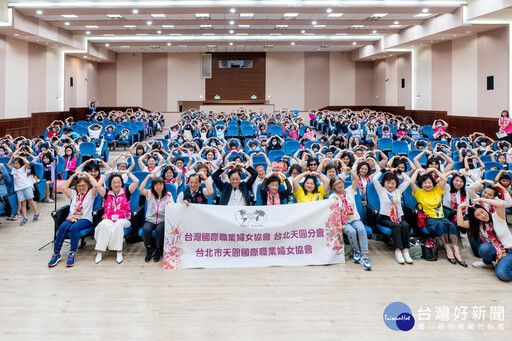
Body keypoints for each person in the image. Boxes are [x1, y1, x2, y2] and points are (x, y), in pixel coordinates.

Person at [411, 168, 467, 267]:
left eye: (429, 183)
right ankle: (447, 248)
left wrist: (435, 170)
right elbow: (411, 182)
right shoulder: (419, 192)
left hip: (441, 217)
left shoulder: (437, 190)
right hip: (429, 218)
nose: (427, 185)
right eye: (425, 183)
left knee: (452, 226)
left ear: (433, 183)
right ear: (421, 184)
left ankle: (457, 251)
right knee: (440, 225)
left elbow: (444, 179)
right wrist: (418, 170)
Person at [48, 172, 98, 268]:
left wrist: (88, 175)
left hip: (85, 219)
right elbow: (63, 188)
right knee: (62, 227)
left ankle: (72, 253)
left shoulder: (91, 194)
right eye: (79, 186)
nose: (81, 188)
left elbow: (96, 185)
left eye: (84, 185)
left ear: (88, 185)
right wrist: (72, 176)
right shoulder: (74, 194)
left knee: (75, 227)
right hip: (72, 217)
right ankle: (56, 253)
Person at [457, 198, 512, 281]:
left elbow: (501, 205)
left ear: (485, 210)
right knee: (483, 248)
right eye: (478, 215)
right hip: (496, 251)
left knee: (503, 274)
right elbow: (460, 223)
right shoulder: (479, 225)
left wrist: (481, 199)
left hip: (509, 252)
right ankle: (488, 263)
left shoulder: (497, 217)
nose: (482, 216)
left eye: (482, 212)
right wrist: (460, 207)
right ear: (475, 218)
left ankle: (502, 264)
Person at [329, 168, 371, 270]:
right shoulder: (332, 197)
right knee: (351, 231)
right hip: (343, 222)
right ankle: (356, 251)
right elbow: (333, 213)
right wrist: (333, 203)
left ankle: (364, 255)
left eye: (340, 182)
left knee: (361, 229)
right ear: (333, 187)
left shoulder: (350, 190)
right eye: (336, 184)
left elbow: (356, 179)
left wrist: (349, 170)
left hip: (355, 218)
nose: (339, 185)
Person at [94, 170, 139, 264]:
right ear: (110, 183)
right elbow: (97, 185)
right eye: (114, 182)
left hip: (124, 219)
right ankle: (99, 252)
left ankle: (119, 251)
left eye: (119, 182)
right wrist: (106, 173)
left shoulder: (126, 191)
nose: (116, 184)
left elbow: (136, 181)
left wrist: (127, 172)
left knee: (118, 224)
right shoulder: (106, 193)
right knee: (103, 224)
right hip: (109, 218)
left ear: (122, 183)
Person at [372, 168, 412, 264]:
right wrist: (383, 170)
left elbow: (408, 180)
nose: (390, 185)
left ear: (396, 184)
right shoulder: (381, 190)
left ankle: (406, 251)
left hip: (399, 217)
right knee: (396, 225)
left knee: (406, 225)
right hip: (386, 218)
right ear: (384, 182)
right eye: (388, 183)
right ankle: (398, 251)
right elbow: (374, 179)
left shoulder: (398, 190)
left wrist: (399, 171)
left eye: (393, 183)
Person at [139, 174, 174, 263]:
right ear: (153, 186)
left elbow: (173, 208)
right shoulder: (150, 194)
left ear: (163, 185)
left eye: (160, 184)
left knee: (159, 229)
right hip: (150, 219)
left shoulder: (168, 195)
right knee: (146, 229)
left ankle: (158, 250)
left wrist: (170, 205)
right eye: (156, 185)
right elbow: (141, 189)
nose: (158, 187)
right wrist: (147, 177)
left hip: (162, 220)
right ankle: (150, 249)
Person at [6, 154, 39, 225]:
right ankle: (25, 218)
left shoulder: (23, 168)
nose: (15, 165)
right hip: (19, 189)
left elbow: (28, 163)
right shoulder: (14, 170)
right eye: (14, 164)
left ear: (20, 164)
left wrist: (19, 157)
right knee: (23, 203)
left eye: (17, 164)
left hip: (26, 187)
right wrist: (12, 158)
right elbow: (8, 165)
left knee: (31, 201)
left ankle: (36, 214)